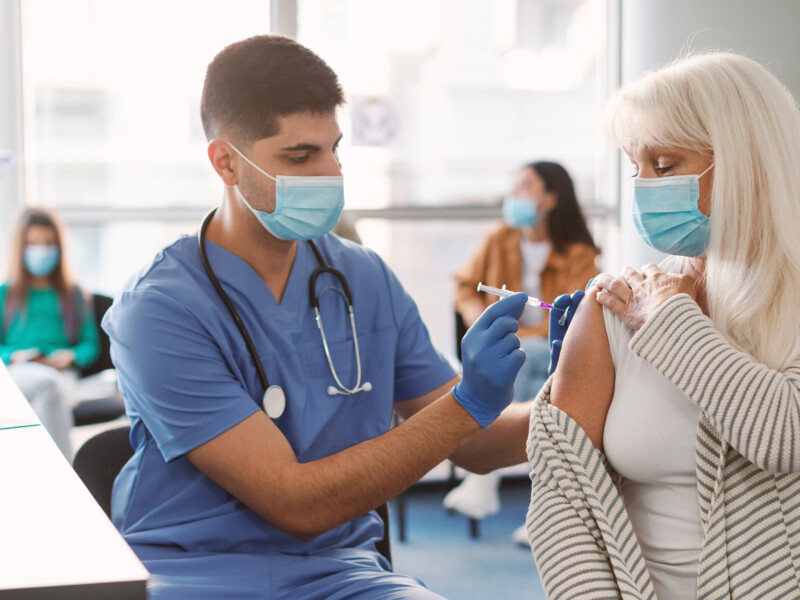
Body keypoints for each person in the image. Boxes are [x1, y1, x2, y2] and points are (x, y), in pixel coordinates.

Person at [102, 35, 535, 600]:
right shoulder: (157, 309)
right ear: (226, 161)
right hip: (192, 576)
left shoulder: (364, 278)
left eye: (335, 149)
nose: (331, 173)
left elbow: (474, 445)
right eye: (301, 156)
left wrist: (589, 381)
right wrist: (467, 405)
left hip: (342, 575)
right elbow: (296, 502)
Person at [525, 52, 800, 599]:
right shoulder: (616, 302)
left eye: (666, 165)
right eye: (636, 168)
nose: (645, 186)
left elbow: (783, 436)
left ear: (747, 161)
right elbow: (561, 493)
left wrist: (670, 321)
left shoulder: (657, 311)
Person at [444, 161, 598, 539]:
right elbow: (466, 287)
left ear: (549, 199)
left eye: (525, 187)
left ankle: (483, 477)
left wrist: (514, 330)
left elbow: (571, 319)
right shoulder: (500, 239)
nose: (514, 196)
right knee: (525, 359)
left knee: (529, 353)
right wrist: (479, 317)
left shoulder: (579, 253)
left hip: (549, 349)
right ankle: (543, 509)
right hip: (511, 344)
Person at [0, 208, 99, 461]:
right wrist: (14, 356)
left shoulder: (73, 294)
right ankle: (65, 467)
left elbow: (90, 345)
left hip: (61, 372)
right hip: (19, 372)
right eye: (33, 244)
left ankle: (48, 467)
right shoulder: (5, 293)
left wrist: (71, 356)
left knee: (49, 391)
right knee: (45, 386)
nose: (41, 251)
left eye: (48, 244)